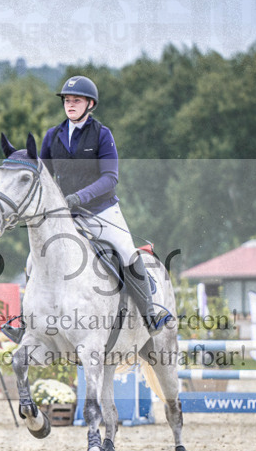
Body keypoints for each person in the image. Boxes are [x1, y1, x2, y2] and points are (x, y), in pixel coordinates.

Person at [39, 75, 169, 334]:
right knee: (38, 255)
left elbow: (110, 178)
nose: (70, 105)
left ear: (90, 104)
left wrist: (80, 197)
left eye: (76, 100)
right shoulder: (52, 136)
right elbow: (42, 176)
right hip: (66, 215)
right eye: (67, 100)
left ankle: (150, 314)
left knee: (126, 251)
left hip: (102, 211)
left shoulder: (102, 135)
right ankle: (26, 319)